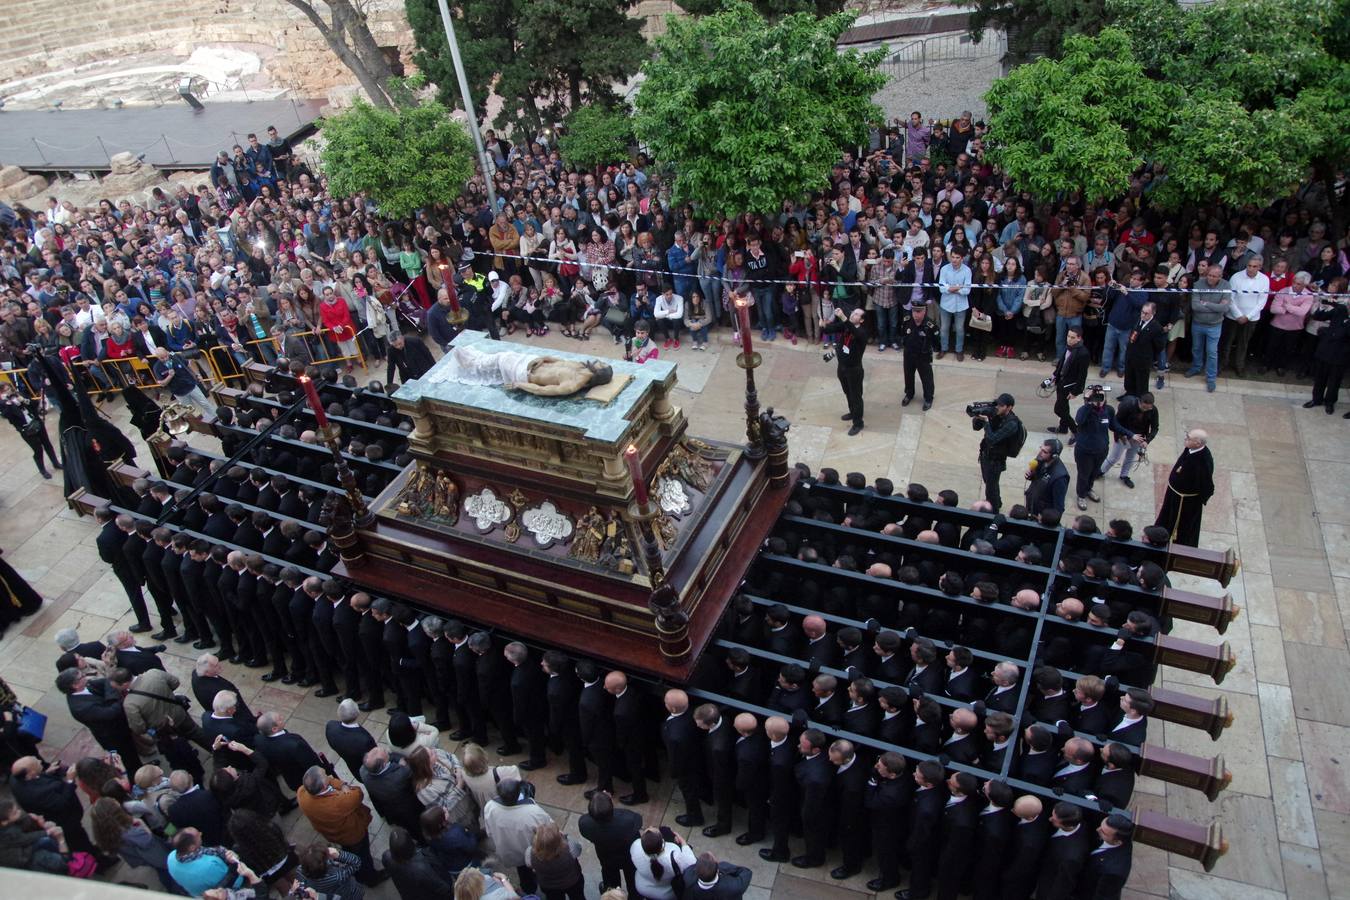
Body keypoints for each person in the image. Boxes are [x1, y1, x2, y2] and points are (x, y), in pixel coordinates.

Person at [429, 343, 614, 397]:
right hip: (531, 361)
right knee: (504, 354)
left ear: (599, 373)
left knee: (500, 358)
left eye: (601, 364)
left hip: (524, 374)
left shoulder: (573, 384)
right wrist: (545, 358)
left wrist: (519, 384)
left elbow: (543, 390)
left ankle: (469, 364)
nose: (598, 361)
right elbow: (561, 361)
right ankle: (472, 360)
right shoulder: (582, 366)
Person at [482, 777, 554, 894]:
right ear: (519, 792)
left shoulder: (490, 807)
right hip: (533, 854)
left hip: (510, 851)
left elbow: (489, 832)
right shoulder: (533, 812)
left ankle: (528, 889)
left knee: (523, 872)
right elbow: (550, 829)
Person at [1072, 388, 1142, 510]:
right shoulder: (1084, 411)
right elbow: (1079, 420)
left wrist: (1130, 434)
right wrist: (1088, 403)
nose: (1099, 400)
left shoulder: (1108, 410)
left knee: (1094, 473)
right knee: (1084, 474)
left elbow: (1114, 425)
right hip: (1085, 451)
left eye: (1102, 397)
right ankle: (1081, 495)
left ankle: (1089, 489)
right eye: (1096, 397)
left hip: (1101, 450)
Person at [1153, 429, 1215, 546]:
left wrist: (1195, 499)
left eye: (1188, 438)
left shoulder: (1204, 461)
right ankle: (1157, 536)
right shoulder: (1190, 448)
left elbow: (1207, 485)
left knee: (1182, 528)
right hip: (1173, 494)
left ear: (1198, 443)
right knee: (1166, 517)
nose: (1185, 439)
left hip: (1185, 502)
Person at [578, 791, 640, 897]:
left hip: (606, 856)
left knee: (609, 876)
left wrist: (603, 802)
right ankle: (634, 896)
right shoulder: (629, 820)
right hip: (628, 856)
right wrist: (607, 801)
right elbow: (637, 822)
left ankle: (612, 894)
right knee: (632, 877)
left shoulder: (585, 824)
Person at [971, 393, 1022, 512]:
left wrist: (987, 422)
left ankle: (993, 512)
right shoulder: (995, 413)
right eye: (997, 404)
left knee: (990, 490)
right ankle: (997, 501)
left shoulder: (1012, 424)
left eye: (1001, 406)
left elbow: (993, 439)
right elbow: (976, 428)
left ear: (1009, 407)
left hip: (996, 460)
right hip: (985, 454)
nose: (997, 407)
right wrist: (978, 417)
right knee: (989, 482)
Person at [822, 307, 868, 436]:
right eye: (853, 312)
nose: (853, 315)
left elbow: (854, 331)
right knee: (847, 392)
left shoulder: (862, 333)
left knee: (856, 396)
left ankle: (858, 422)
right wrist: (823, 326)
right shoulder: (846, 326)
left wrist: (843, 317)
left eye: (857, 314)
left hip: (854, 369)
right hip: (842, 367)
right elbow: (831, 329)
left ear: (862, 320)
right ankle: (853, 412)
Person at [1185, 265, 1231, 392]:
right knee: (1196, 348)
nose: (1210, 278)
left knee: (1212, 352)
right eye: (1209, 275)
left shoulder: (1226, 286)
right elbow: (1195, 306)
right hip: (1198, 323)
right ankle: (1196, 367)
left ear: (1220, 277)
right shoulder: (1198, 284)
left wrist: (1206, 303)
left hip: (1215, 326)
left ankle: (1211, 378)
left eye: (1214, 276)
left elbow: (1225, 308)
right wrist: (1216, 306)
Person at [0, 383, 61, 479]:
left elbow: (35, 404)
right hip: (26, 429)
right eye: (5, 390)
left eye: (9, 388)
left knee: (47, 444)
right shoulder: (3, 403)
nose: (9, 391)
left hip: (35, 422)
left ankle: (56, 463)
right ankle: (42, 470)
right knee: (38, 450)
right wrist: (8, 403)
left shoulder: (19, 394)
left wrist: (24, 400)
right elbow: (6, 415)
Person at [1101, 392, 1158, 489]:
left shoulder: (1153, 410)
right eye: (1144, 407)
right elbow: (1116, 423)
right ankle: (1101, 471)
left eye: (1149, 408)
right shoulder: (1127, 405)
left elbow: (1155, 427)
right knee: (1114, 457)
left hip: (1139, 437)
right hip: (1123, 435)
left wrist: (1147, 440)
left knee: (1130, 457)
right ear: (1139, 402)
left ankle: (1124, 475)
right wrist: (1129, 435)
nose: (1146, 410)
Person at [524, 820, 585, 900]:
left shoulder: (529, 853)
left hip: (549, 886)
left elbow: (529, 865)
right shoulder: (570, 848)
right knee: (578, 897)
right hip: (572, 882)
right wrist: (565, 837)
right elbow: (579, 849)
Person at [631, 826, 697, 900]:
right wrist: (683, 843)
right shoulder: (674, 856)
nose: (650, 826)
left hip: (643, 887)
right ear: (663, 842)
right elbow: (692, 862)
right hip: (667, 893)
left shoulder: (635, 846)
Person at [1079, 813, 1134, 900]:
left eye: (1103, 832)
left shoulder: (1114, 873)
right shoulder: (1117, 838)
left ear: (1118, 842)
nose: (1098, 830)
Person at [1048, 327, 1089, 438]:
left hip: (1069, 385)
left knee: (1059, 409)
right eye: (1068, 336)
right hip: (1061, 382)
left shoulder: (1083, 354)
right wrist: (1053, 377)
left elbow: (1082, 375)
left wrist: (1076, 392)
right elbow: (1062, 363)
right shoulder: (1068, 348)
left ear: (1079, 338)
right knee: (1064, 407)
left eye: (1072, 337)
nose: (1069, 339)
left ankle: (1076, 431)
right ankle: (1063, 428)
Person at [898, 301, 938, 410]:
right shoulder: (907, 321)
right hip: (909, 354)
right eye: (914, 311)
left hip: (923, 356)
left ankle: (928, 398)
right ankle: (909, 394)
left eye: (919, 312)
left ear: (924, 311)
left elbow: (936, 341)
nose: (916, 314)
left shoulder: (930, 325)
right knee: (908, 375)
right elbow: (902, 333)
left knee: (927, 378)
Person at [1121, 302, 1165, 398]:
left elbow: (1159, 346)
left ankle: (1140, 398)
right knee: (1129, 377)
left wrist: (1149, 355)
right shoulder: (1138, 320)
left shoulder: (1156, 327)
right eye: (1142, 312)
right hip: (1131, 355)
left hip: (1143, 359)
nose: (1143, 315)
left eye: (1146, 313)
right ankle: (1129, 393)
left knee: (1141, 381)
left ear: (1153, 313)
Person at [936, 246, 972, 360]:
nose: (954, 260)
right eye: (952, 257)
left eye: (957, 257)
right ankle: (943, 348)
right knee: (944, 328)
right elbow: (942, 288)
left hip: (961, 305)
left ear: (962, 258)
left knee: (960, 329)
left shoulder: (967, 270)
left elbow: (967, 290)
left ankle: (959, 350)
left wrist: (950, 288)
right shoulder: (944, 269)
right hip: (946, 304)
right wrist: (956, 288)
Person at [151, 346, 211, 410]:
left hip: (191, 386)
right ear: (157, 357)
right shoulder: (157, 367)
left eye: (166, 356)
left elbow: (189, 363)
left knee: (206, 404)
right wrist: (170, 376)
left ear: (167, 352)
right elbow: (162, 384)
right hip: (179, 393)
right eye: (162, 358)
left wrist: (197, 374)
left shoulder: (176, 356)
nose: (165, 359)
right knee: (190, 410)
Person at [1025, 438, 1070, 517]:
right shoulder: (1041, 459)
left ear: (1054, 456)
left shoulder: (1060, 478)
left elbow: (1058, 508)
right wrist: (1031, 474)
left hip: (1041, 516)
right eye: (1041, 449)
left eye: (1044, 452)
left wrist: (1046, 519)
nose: (1040, 453)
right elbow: (1037, 478)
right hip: (1031, 505)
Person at [685, 850, 752, 898]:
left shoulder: (688, 876)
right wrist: (722, 866)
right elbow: (746, 872)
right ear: (717, 871)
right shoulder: (734, 886)